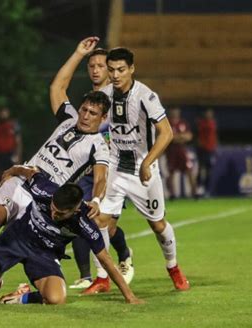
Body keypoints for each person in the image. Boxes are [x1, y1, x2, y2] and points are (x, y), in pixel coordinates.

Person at [0, 37, 111, 287]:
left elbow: (101, 176)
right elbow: (57, 88)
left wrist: (96, 199)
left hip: (43, 201)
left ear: (102, 118)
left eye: (91, 113)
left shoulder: (99, 145)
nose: (84, 115)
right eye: (83, 109)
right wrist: (77, 54)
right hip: (21, 180)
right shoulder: (68, 119)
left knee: (12, 244)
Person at [83, 46, 190, 294]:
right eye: (112, 70)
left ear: (132, 69)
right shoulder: (105, 94)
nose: (116, 75)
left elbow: (167, 133)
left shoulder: (146, 96)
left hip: (144, 171)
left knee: (158, 225)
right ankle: (102, 279)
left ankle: (173, 268)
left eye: (121, 70)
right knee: (98, 220)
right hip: (116, 169)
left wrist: (146, 162)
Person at [0, 167, 143, 305]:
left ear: (75, 209)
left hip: (44, 255)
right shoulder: (43, 188)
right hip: (15, 240)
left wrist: (129, 296)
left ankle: (22, 297)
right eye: (53, 208)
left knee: (57, 299)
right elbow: (29, 172)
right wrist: (11, 172)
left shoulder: (84, 222)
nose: (54, 214)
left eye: (60, 214)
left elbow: (106, 260)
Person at [71, 47, 134, 289]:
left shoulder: (119, 97)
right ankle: (88, 276)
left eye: (101, 66)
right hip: (90, 171)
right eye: (92, 66)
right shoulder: (89, 100)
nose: (96, 70)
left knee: (106, 225)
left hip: (115, 170)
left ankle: (124, 254)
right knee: (79, 218)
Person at [165, 107, 197, 199]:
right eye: (173, 112)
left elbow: (189, 136)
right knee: (171, 172)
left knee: (189, 171)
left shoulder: (183, 123)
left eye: (177, 112)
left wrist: (178, 138)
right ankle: (172, 194)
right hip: (171, 151)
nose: (175, 113)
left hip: (182, 150)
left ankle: (194, 193)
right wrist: (180, 137)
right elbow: (169, 137)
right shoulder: (167, 123)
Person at [0, 107, 22, 179]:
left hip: (10, 153)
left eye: (4, 113)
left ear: (8, 113)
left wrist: (18, 155)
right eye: (1, 113)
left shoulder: (13, 124)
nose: (3, 114)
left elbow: (18, 141)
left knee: (12, 173)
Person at [196, 108, 218, 197]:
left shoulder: (213, 123)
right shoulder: (202, 123)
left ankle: (207, 189)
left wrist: (214, 147)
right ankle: (199, 188)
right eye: (207, 113)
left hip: (210, 150)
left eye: (210, 113)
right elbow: (199, 136)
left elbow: (214, 136)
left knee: (209, 170)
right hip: (203, 150)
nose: (209, 115)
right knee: (202, 169)